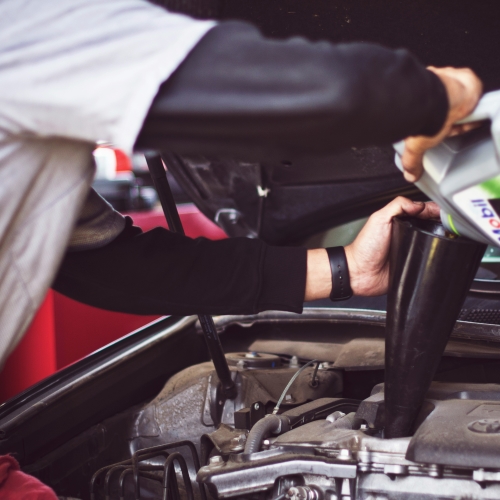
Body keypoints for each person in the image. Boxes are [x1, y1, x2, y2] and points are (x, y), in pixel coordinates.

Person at [0, 0, 482, 367]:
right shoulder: (24, 24)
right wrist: (440, 94)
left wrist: (345, 269)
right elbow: (319, 91)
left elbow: (106, 266)